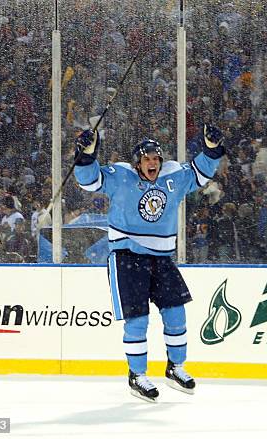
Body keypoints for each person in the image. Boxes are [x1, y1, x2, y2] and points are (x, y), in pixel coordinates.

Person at [74, 124, 225, 402]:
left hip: (162, 257)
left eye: (155, 158)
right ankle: (137, 375)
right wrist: (86, 154)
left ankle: (175, 367)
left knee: (176, 313)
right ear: (137, 163)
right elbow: (89, 181)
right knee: (138, 319)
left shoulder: (173, 176)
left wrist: (212, 151)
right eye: (146, 159)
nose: (152, 162)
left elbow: (201, 172)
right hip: (127, 256)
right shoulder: (121, 176)